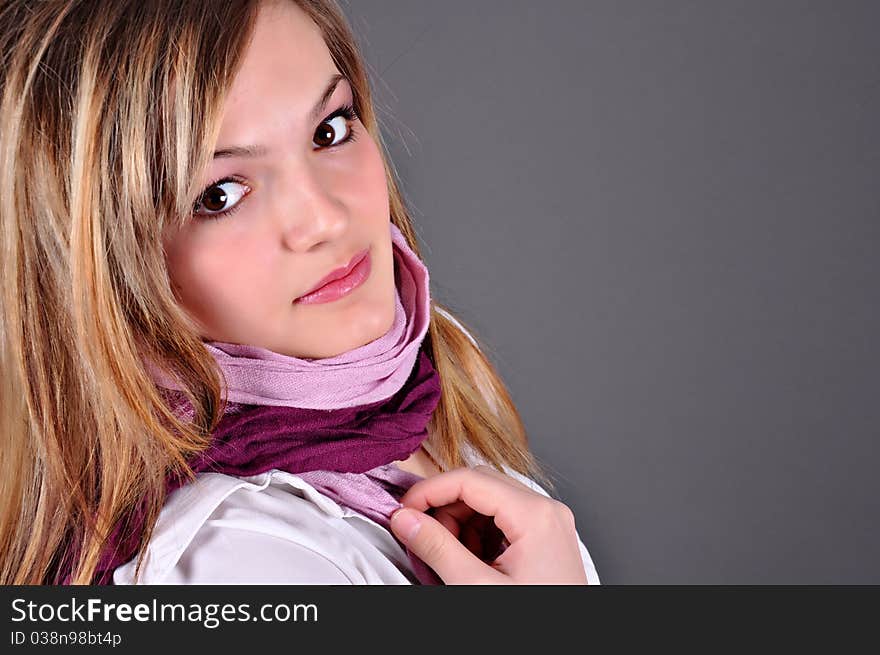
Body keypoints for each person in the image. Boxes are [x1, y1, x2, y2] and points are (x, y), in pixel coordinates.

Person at [0, 0, 600, 585]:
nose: (324, 221)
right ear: (107, 269)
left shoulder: (423, 373)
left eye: (329, 130)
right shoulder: (238, 560)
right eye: (220, 195)